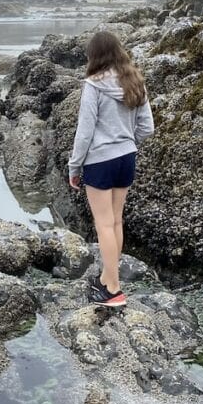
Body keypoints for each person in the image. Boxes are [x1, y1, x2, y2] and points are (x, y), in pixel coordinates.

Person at [67, 30, 154, 308]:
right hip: (127, 157)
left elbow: (84, 132)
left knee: (104, 224)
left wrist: (74, 166)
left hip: (100, 160)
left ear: (94, 56)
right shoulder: (135, 82)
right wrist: (128, 143)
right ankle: (108, 277)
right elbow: (147, 127)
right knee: (116, 221)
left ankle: (113, 291)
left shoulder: (93, 86)